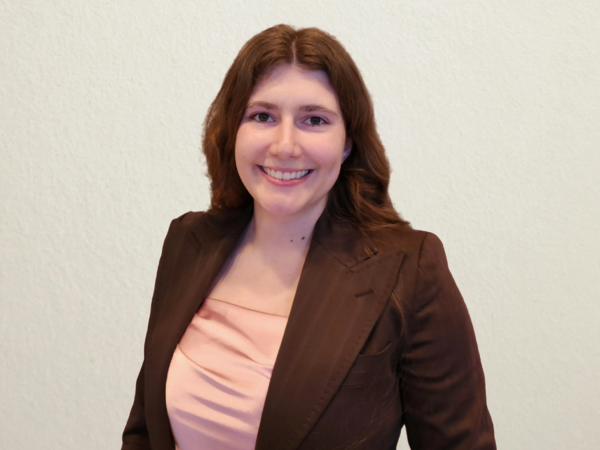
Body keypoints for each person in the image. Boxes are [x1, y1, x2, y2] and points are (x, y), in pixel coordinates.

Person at [121, 24, 496, 450]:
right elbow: (145, 434)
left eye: (314, 120)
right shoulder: (187, 242)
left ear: (348, 141)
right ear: (233, 129)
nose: (285, 145)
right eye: (262, 116)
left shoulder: (409, 270)